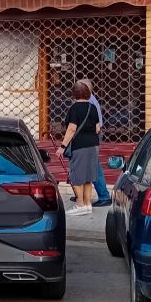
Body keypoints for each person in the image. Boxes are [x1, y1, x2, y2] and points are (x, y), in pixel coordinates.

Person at [56, 81, 101, 216]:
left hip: (79, 146)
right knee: (88, 176)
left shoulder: (74, 108)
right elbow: (98, 128)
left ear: (74, 94)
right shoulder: (92, 107)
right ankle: (88, 204)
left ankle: (80, 204)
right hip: (93, 145)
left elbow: (71, 129)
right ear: (88, 93)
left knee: (75, 175)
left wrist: (62, 147)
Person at [82, 78, 112, 207]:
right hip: (90, 137)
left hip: (90, 138)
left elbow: (95, 125)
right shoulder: (90, 100)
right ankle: (82, 196)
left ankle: (104, 195)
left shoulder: (89, 102)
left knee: (93, 166)